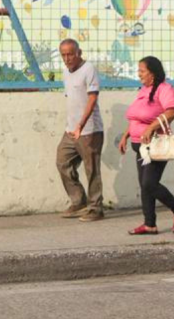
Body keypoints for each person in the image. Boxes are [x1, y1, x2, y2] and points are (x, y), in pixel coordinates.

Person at [118, 55, 174, 235]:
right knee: (145, 185)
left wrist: (151, 127)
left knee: (149, 184)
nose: (139, 74)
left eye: (142, 71)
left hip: (154, 145)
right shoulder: (143, 90)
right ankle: (149, 224)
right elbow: (136, 117)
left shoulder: (165, 89)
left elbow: (172, 111)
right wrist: (126, 135)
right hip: (139, 146)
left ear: (152, 73)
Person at [56, 39, 104, 222]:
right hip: (71, 130)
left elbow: (92, 99)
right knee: (62, 162)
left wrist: (81, 125)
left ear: (79, 52)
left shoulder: (88, 69)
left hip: (89, 130)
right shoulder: (66, 72)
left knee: (92, 170)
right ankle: (79, 201)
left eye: (70, 54)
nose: (67, 58)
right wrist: (72, 126)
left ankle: (96, 208)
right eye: (63, 55)